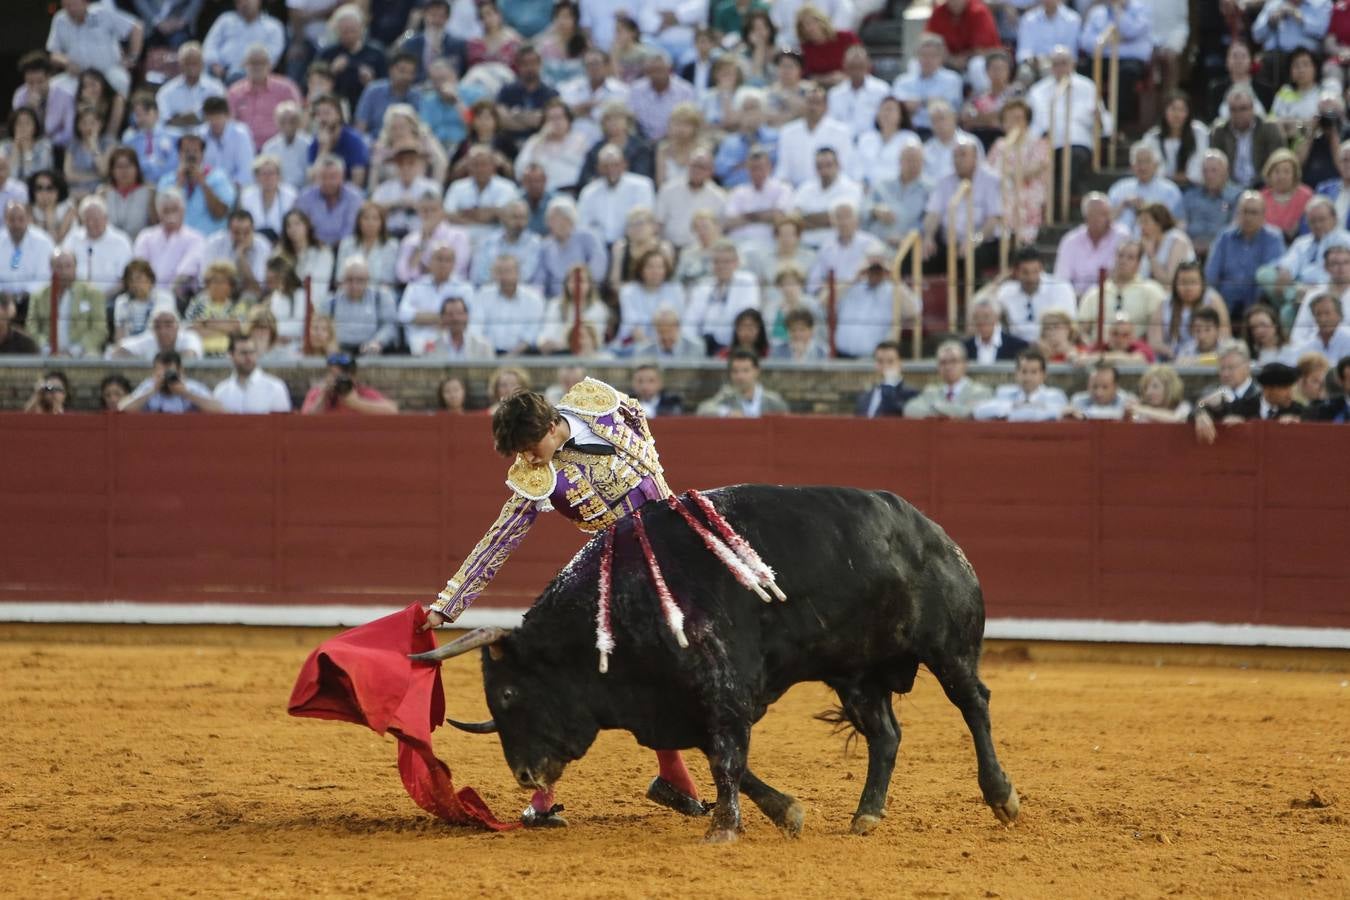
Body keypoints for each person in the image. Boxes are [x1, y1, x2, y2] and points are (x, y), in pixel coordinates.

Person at [419, 378, 713, 828]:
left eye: (529, 445)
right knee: (567, 676)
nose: (527, 457)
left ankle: (673, 778)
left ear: (553, 425)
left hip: (673, 556)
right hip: (612, 571)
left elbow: (648, 454)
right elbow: (500, 538)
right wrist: (448, 604)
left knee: (666, 669)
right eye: (518, 450)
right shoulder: (538, 476)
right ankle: (543, 797)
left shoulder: (600, 402)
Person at [1205, 192, 1287, 321]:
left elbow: (1270, 274)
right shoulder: (1225, 237)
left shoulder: (1273, 238)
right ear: (1237, 213)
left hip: (1259, 306)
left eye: (1253, 212)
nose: (1248, 217)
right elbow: (1211, 274)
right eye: (1244, 212)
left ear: (1263, 215)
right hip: (1225, 305)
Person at [1192, 361, 1305, 444]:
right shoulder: (1241, 406)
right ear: (1268, 389)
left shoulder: (1298, 411)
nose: (1290, 394)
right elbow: (1201, 406)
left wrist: (1302, 423)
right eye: (1285, 389)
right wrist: (1200, 413)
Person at [985, 100, 1050, 245]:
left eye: (1018, 118)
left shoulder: (1038, 143)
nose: (1014, 123)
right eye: (1009, 119)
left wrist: (1008, 174)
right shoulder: (999, 145)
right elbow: (988, 172)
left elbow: (1032, 170)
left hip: (1028, 191)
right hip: (1001, 189)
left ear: (1027, 121)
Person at [1076, 239, 1167, 341]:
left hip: (1137, 353)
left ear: (1139, 263)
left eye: (1130, 257)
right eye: (1120, 256)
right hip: (1099, 352)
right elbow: (1081, 331)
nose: (1123, 261)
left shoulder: (1152, 291)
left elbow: (1159, 330)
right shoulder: (1095, 293)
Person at [25, 248, 108, 358]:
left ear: (75, 268)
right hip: (47, 352)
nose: (63, 271)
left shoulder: (93, 294)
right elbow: (31, 327)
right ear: (51, 269)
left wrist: (76, 350)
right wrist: (45, 346)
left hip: (83, 352)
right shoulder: (39, 296)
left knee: (91, 357)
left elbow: (99, 329)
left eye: (68, 266)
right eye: (58, 267)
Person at [685, 240, 760, 353]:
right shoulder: (702, 287)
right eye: (717, 262)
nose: (721, 266)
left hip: (733, 346)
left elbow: (745, 316)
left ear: (736, 263)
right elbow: (689, 321)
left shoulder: (747, 282)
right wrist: (693, 344)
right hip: (702, 345)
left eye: (726, 262)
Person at [1148, 261, 1231, 361]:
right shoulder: (1164, 304)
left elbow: (1224, 336)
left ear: (1202, 283)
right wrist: (1173, 354)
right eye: (1183, 282)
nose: (1188, 288)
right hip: (1172, 359)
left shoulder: (1213, 300)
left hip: (1209, 357)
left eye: (1193, 282)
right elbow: (1154, 341)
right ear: (1175, 284)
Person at [578, 145, 657, 246]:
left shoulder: (642, 186)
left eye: (615, 165)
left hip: (632, 243)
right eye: (605, 166)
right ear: (598, 168)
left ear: (624, 164)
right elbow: (583, 224)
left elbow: (646, 219)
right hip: (599, 245)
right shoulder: (589, 192)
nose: (611, 169)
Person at [994, 247, 1077, 343]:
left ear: (1041, 269)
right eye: (1025, 272)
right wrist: (996, 283)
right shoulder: (1006, 291)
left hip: (1051, 345)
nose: (1031, 278)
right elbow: (981, 305)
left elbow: (1070, 326)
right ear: (1015, 272)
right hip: (1015, 348)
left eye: (1035, 271)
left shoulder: (1061, 288)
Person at [321, 256, 399, 354]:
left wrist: (378, 342)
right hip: (338, 352)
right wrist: (329, 342)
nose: (354, 285)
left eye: (360, 280)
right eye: (349, 279)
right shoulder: (330, 301)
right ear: (342, 280)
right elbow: (321, 327)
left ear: (368, 280)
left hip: (372, 353)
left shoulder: (381, 297)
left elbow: (390, 326)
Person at [892, 35, 963, 137]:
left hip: (940, 133)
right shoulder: (902, 81)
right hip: (908, 132)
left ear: (941, 57)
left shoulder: (952, 79)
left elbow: (947, 108)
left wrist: (918, 103)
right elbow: (898, 107)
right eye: (923, 55)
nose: (927, 59)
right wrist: (928, 102)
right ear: (917, 56)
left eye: (932, 55)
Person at [475, 255, 547, 353]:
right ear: (493, 274)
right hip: (488, 354)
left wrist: (511, 356)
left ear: (518, 273)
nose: (503, 276)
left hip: (524, 355)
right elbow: (476, 330)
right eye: (499, 272)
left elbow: (531, 335)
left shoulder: (534, 299)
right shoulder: (482, 295)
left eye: (507, 271)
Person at [1107, 143, 1183, 235]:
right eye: (1139, 162)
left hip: (1155, 244)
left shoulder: (1170, 190)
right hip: (1120, 244)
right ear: (1132, 166)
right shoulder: (1119, 188)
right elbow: (1105, 222)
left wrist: (1148, 209)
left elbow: (1176, 224)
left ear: (1156, 165)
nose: (1142, 167)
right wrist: (1123, 204)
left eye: (1147, 161)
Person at [62, 194, 133, 292]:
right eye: (87, 219)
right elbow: (62, 270)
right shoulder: (73, 238)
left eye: (95, 220)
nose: (91, 224)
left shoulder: (121, 242)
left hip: (110, 300)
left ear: (106, 218)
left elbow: (124, 279)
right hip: (75, 297)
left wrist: (100, 300)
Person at [972, 348, 1068, 421]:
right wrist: (1012, 405)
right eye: (1024, 371)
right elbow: (979, 412)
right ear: (1016, 373)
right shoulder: (1004, 392)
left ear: (1043, 375)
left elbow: (1063, 414)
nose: (1028, 377)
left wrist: (1020, 408)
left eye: (1034, 372)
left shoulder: (1055, 395)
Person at [204, 0, 287, 84]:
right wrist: (214, 64)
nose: (244, 3)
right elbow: (209, 45)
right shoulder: (225, 20)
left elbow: (272, 57)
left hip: (254, 77)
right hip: (220, 75)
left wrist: (250, 67)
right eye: (240, 1)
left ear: (259, 1)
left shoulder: (273, 26)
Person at [120, 350, 224, 414]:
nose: (166, 378)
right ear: (154, 372)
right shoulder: (149, 386)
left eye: (169, 373)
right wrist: (152, 390)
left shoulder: (192, 388)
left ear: (180, 371)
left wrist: (186, 393)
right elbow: (123, 409)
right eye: (161, 374)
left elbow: (219, 409)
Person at [1141, 92, 1208, 188]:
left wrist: (1188, 176)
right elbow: (1153, 166)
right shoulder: (1152, 137)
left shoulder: (1199, 132)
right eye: (1173, 109)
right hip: (1161, 186)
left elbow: (1200, 160)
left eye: (1182, 110)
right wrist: (1170, 177)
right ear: (1165, 111)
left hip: (1193, 186)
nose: (1177, 114)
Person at [213, 332, 293, 413]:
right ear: (231, 355)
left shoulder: (275, 388)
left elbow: (283, 423)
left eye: (252, 352)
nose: (249, 358)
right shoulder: (221, 391)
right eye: (243, 353)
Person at [1182, 151, 1243, 256]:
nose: (1209, 175)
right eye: (1205, 171)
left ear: (1226, 172)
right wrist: (1186, 245)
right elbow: (1180, 224)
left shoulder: (1237, 196)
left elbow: (1236, 227)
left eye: (1214, 171)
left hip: (1223, 250)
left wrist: (1212, 246)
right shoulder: (1190, 196)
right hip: (1190, 249)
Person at [300, 351, 399, 415]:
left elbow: (392, 410)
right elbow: (305, 420)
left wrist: (357, 403)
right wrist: (323, 396)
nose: (341, 379)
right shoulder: (318, 392)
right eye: (335, 375)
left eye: (345, 374)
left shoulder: (362, 392)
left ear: (354, 376)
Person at [697, 349, 789, 416]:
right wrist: (727, 412)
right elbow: (702, 410)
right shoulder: (727, 395)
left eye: (745, 371)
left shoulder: (773, 401)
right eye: (735, 371)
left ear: (756, 371)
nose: (740, 376)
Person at [110, 304, 204, 360]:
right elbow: (116, 352)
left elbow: (189, 357)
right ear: (152, 329)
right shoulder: (149, 339)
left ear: (178, 326)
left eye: (168, 324)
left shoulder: (190, 337)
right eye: (157, 326)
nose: (163, 331)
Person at [1260, 148, 1315, 242]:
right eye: (1277, 171)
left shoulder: (1306, 196)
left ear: (1294, 175)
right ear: (1269, 174)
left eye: (1286, 172)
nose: (1281, 176)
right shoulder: (1261, 198)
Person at [1137, 203, 1195, 289]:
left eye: (1145, 222)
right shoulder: (1148, 242)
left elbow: (1170, 280)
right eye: (1140, 222)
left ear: (1159, 223)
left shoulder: (1178, 240)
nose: (1141, 227)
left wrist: (1151, 255)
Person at [112, 258, 170, 343]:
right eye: (131, 280)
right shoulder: (122, 302)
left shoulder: (165, 298)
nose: (135, 284)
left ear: (150, 279)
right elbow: (120, 333)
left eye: (139, 278)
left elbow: (161, 331)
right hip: (130, 349)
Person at [418, 295, 495, 359]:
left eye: (459, 313)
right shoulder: (431, 346)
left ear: (466, 316)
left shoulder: (483, 346)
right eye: (450, 314)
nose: (455, 318)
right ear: (442, 318)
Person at [853, 340, 916, 417]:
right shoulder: (866, 394)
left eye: (890, 361)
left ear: (900, 363)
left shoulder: (909, 393)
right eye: (880, 361)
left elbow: (892, 412)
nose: (885, 366)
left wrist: (889, 382)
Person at [964, 297, 1029, 364]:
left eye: (986, 317)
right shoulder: (965, 347)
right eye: (976, 317)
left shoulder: (1018, 346)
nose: (981, 321)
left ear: (997, 317)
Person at [1292, 291, 1350, 362]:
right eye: (1318, 314)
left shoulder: (1348, 339)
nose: (1323, 319)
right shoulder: (1309, 345)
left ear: (1339, 315)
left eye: (1327, 313)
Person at [1062, 363, 1131, 420]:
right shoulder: (1078, 399)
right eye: (1094, 387)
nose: (1099, 393)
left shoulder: (1127, 401)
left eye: (1105, 387)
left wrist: (1083, 416)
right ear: (1088, 385)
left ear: (1116, 387)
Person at [1125, 363, 1191, 423]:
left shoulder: (1183, 406)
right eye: (1145, 388)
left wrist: (1140, 409)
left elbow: (1176, 419)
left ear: (1169, 388)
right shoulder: (1140, 411)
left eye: (1155, 386)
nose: (1148, 392)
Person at [634, 306, 706, 358]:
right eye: (661, 332)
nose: (666, 336)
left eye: (669, 331)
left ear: (678, 328)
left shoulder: (695, 348)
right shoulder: (644, 351)